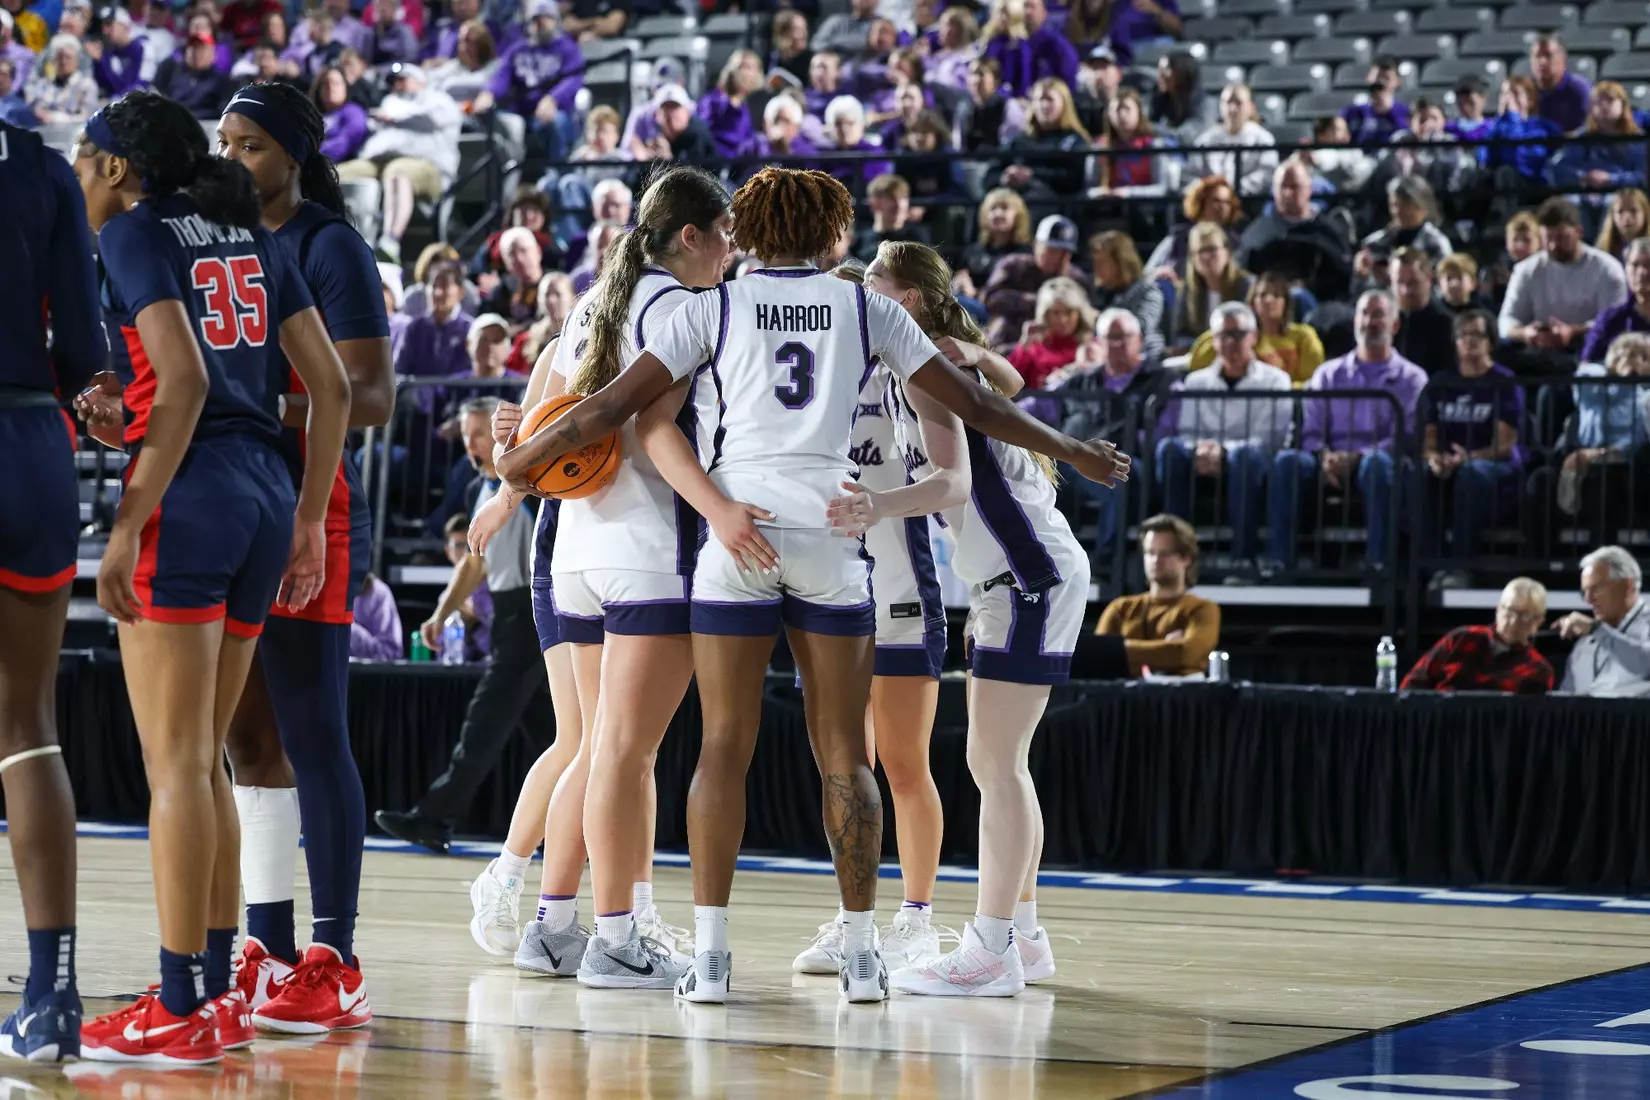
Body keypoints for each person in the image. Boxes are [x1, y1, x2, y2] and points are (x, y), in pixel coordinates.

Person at [494, 166, 1129, 1005]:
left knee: (723, 748)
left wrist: (517, 467)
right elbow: (978, 404)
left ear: (749, 232)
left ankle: (713, 960)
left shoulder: (710, 307)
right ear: (835, 235)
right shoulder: (866, 307)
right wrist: (1075, 450)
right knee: (844, 753)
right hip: (833, 538)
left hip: (739, 538)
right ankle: (865, 953)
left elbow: (604, 411)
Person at [71, 90, 350, 1064]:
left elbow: (184, 383)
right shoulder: (246, 226)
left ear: (115, 166)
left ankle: (182, 1003)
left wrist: (127, 520)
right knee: (214, 758)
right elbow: (334, 385)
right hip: (267, 492)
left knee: (176, 764)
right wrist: (311, 516)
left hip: (189, 500)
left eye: (82, 155)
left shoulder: (137, 233)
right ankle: (222, 988)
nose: (77, 172)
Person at [470, 167, 738, 987]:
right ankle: (618, 938)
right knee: (621, 752)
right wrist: (721, 508)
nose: (733, 251)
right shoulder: (683, 309)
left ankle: (553, 926)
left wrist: (509, 481)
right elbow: (651, 429)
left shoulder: (593, 303)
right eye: (725, 234)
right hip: (647, 545)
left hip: (576, 548)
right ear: (688, 236)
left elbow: (537, 411)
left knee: (594, 748)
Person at [837, 240, 1086, 999]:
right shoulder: (937, 360)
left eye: (874, 278)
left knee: (994, 767)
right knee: (1007, 767)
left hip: (1027, 574)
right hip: (1012, 576)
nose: (863, 288)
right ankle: (1026, 935)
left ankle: (990, 949)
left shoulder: (934, 369)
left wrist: (875, 504)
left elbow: (951, 482)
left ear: (904, 298)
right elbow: (1005, 382)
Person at [214, 81, 395, 1034]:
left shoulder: (329, 245)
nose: (233, 158)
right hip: (240, 500)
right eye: (226, 142)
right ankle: (268, 945)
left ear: (291, 154)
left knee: (313, 732)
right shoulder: (225, 242)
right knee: (249, 742)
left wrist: (257, 404)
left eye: (249, 145)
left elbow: (368, 395)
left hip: (310, 507)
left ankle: (338, 955)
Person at [792, 254, 981, 978]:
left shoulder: (906, 368)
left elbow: (949, 478)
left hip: (901, 583)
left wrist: (879, 505)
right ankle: (855, 917)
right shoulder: (816, 385)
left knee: (904, 764)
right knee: (845, 765)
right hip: (831, 584)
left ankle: (918, 919)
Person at [0, 111, 104, 1065]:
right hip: (33, 445)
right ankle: (52, 991)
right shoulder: (39, 167)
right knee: (27, 727)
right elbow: (83, 347)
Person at [375, 396, 548, 854]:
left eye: (480, 431)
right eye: (468, 434)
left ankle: (435, 817)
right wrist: (440, 612)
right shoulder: (483, 490)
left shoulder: (526, 480)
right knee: (549, 730)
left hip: (534, 609)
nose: (472, 442)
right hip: (514, 613)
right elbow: (474, 565)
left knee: (486, 721)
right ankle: (585, 824)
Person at [1268, 290, 1427, 570]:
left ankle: (1380, 564)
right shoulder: (1328, 374)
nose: (1369, 321)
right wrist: (1324, 456)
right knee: (1287, 462)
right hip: (1330, 462)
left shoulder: (1412, 378)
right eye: (1364, 314)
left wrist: (1357, 457)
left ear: (1394, 325)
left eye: (1378, 314)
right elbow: (1311, 429)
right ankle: (1280, 562)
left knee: (1377, 465)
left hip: (1380, 462)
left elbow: (1406, 435)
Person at [1157, 303, 1291, 563]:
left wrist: (1224, 451)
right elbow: (1186, 431)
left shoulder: (1276, 381)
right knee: (1169, 450)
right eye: (1222, 335)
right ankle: (1176, 555)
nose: (1231, 342)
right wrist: (1199, 449)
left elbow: (1269, 439)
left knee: (1245, 456)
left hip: (1251, 461)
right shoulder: (1196, 381)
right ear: (1213, 340)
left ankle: (1243, 558)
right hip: (1204, 458)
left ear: (1254, 337)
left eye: (1239, 334)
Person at [1419, 310, 1524, 574]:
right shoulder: (1441, 382)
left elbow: (1504, 445)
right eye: (1463, 335)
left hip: (1495, 465)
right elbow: (1428, 440)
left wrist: (1468, 458)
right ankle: (1428, 567)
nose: (1469, 341)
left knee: (1470, 474)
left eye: (1477, 334)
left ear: (1490, 340)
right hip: (1453, 462)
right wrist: (1434, 459)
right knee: (1421, 474)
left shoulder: (1504, 381)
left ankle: (1461, 568)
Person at [1499, 197, 1628, 375]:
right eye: (1547, 238)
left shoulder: (1607, 269)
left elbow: (1615, 321)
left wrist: (1573, 331)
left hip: (1588, 348)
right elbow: (1506, 321)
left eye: (1561, 238)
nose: (1553, 245)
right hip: (1539, 348)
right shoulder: (1526, 270)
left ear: (1578, 232)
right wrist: (1526, 333)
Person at [1093, 515, 1218, 677]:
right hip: (1123, 698)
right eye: (1151, 553)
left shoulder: (1202, 609)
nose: (1156, 560)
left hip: (1178, 698)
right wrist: (1165, 648)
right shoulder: (1121, 608)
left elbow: (1185, 654)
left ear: (1186, 558)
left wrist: (1120, 648)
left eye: (1165, 553)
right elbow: (1098, 656)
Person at [1400, 578, 1554, 693]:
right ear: (1498, 609)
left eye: (1524, 615)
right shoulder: (1461, 639)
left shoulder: (1538, 671)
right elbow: (1413, 685)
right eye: (1509, 610)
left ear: (1538, 621)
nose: (1513, 620)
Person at [1186, 271, 1322, 384]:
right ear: (1252, 302)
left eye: (1276, 295)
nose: (1269, 300)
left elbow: (1312, 382)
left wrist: (1279, 388)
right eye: (1262, 295)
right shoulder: (1236, 335)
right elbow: (1198, 365)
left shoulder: (1304, 336)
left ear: (1286, 302)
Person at [982, 214, 1091, 348]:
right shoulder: (1014, 266)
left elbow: (1087, 317)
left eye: (1066, 252)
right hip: (1010, 341)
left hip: (1057, 346)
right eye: (1052, 250)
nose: (1059, 258)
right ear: (1036, 245)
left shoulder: (1077, 279)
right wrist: (1041, 302)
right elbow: (990, 300)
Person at [1555, 546, 1650, 697]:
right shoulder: (1584, 643)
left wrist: (1597, 630)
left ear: (1628, 586)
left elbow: (1646, 664)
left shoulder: (1595, 630)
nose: (1588, 599)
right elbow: (1566, 699)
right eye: (1585, 591)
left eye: (1596, 588)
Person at [1169, 222, 1251, 353]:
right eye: (1200, 251)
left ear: (1227, 252)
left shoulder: (1246, 285)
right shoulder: (1188, 290)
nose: (1206, 257)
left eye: (1212, 249)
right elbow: (1180, 335)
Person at [1006, 276, 1095, 389]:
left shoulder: (1092, 347)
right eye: (1056, 313)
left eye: (1069, 312)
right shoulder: (1033, 347)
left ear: (1079, 314)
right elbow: (1006, 383)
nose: (1062, 320)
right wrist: (1024, 345)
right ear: (1046, 314)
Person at [1191, 82, 1276, 199]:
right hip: (1211, 202)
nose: (1232, 108)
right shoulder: (1205, 140)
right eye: (1227, 102)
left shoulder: (1264, 139)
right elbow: (1194, 173)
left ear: (1251, 107)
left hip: (1249, 202)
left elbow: (1265, 176)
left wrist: (1232, 190)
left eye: (1238, 103)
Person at [1088, 231, 1164, 361]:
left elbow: (1142, 327)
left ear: (1121, 261)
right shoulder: (1098, 293)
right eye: (1095, 262)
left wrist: (1100, 320)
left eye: (1102, 262)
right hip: (1104, 360)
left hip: (1144, 359)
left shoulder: (1147, 291)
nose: (1097, 268)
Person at [1389, 249, 1458, 376]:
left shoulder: (1447, 326)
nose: (1405, 290)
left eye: (1413, 283)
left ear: (1429, 279)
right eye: (1399, 283)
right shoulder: (1384, 324)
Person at [1581, 237, 1650, 363]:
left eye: (1648, 265)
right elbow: (1588, 365)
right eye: (1635, 265)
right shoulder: (1611, 319)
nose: (1642, 272)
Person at [1340, 56, 1409, 146]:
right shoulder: (1353, 111)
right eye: (1377, 77)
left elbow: (1406, 139)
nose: (1380, 82)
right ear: (1368, 78)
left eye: (1386, 78)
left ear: (1398, 82)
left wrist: (1390, 111)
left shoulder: (1404, 112)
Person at [1530, 33, 1590, 134]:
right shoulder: (1525, 90)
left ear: (1563, 59)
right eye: (1537, 56)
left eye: (1548, 55)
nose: (1542, 62)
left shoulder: (1580, 89)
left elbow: (1590, 128)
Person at [348, 573, 402, 660]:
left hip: (363, 672)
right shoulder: (321, 587)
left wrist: (348, 630)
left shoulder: (378, 592)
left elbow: (389, 652)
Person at [1597, 187, 1650, 263]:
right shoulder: (1602, 251)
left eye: (1633, 211)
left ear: (1645, 213)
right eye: (1620, 211)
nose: (1627, 218)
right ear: (1612, 216)